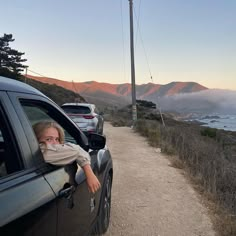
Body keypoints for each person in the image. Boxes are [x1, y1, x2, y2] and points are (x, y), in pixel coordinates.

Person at [33, 121, 101, 194]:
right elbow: (77, 151)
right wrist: (89, 174)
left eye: (57, 139)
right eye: (48, 139)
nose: (55, 144)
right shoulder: (40, 151)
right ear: (35, 140)